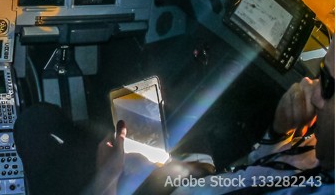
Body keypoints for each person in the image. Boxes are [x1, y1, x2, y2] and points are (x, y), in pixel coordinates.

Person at [96, 36, 335, 194]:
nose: (313, 92)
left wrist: (107, 179)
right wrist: (278, 133)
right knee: (190, 109)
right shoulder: (319, 150)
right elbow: (260, 173)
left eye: (326, 83)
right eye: (319, 73)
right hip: (202, 179)